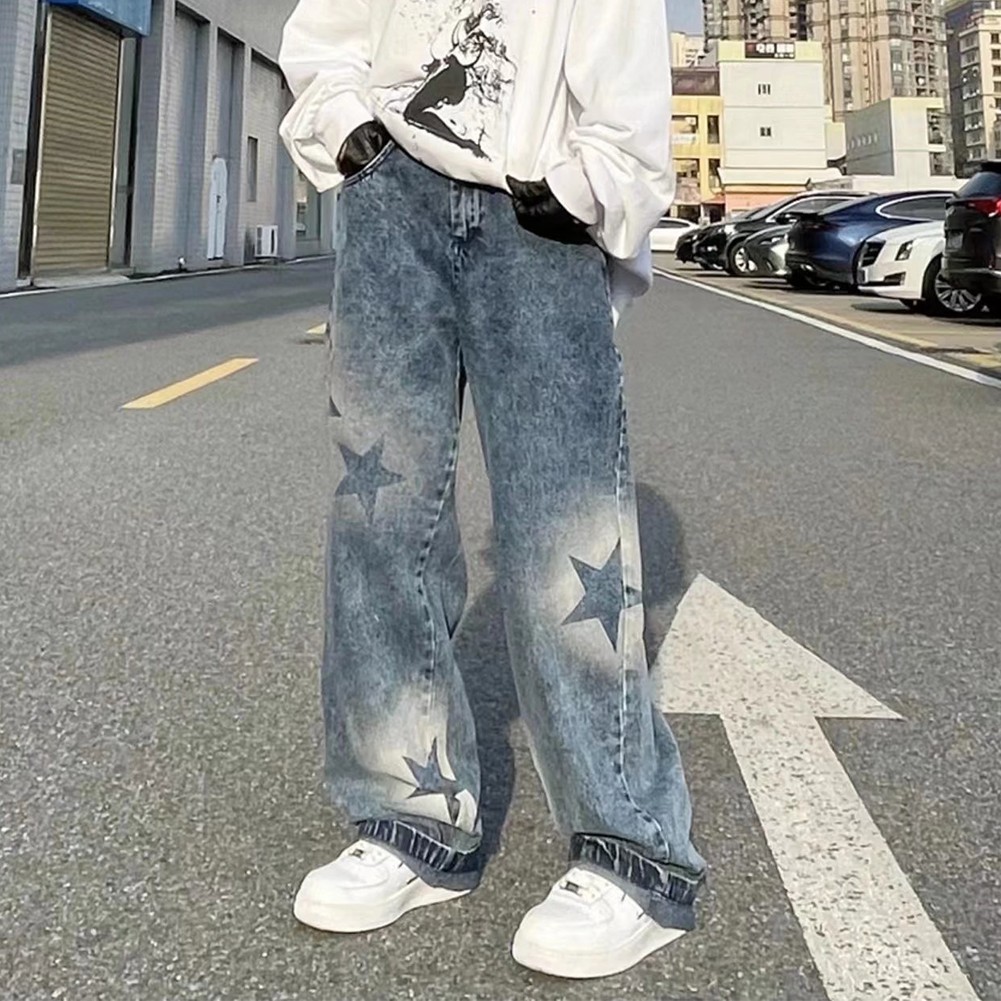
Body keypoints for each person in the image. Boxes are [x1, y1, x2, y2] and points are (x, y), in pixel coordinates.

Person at [278, 0, 706, 979]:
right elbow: (324, 37)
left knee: (564, 534)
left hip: (534, 216)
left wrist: (580, 185)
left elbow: (624, 80)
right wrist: (353, 138)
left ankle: (631, 849)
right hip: (392, 201)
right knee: (381, 524)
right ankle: (411, 819)